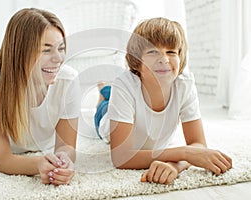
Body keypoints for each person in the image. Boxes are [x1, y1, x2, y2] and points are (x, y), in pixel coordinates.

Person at [95, 17, 232, 184]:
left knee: (114, 97)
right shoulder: (124, 84)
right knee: (104, 107)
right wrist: (185, 152)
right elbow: (121, 157)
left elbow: (198, 144)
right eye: (153, 52)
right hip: (107, 121)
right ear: (137, 62)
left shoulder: (184, 84)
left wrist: (175, 166)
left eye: (171, 52)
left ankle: (106, 91)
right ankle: (103, 92)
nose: (164, 59)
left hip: (130, 105)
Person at [0, 8, 80, 186]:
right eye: (46, 50)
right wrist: (38, 164)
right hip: (13, 147)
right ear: (21, 51)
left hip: (44, 146)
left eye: (61, 48)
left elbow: (67, 147)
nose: (58, 58)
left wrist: (63, 162)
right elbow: (2, 159)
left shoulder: (68, 80)